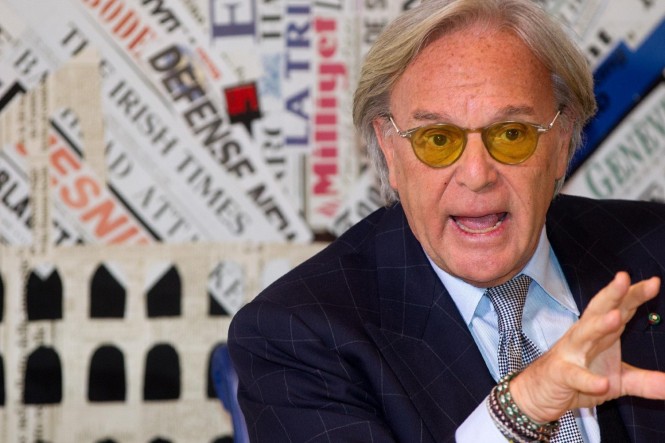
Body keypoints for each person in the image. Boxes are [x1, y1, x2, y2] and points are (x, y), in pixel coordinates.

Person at [228, 0, 665, 441]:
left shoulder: (656, 249)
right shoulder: (297, 334)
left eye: (511, 133)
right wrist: (522, 409)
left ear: (562, 138)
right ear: (389, 150)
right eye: (437, 139)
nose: (476, 175)